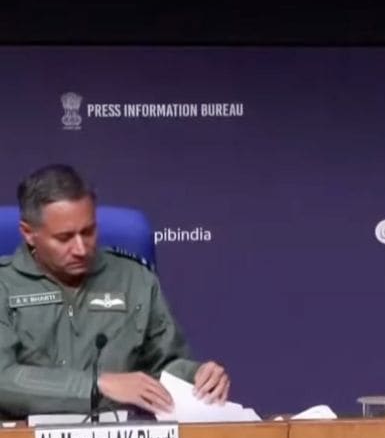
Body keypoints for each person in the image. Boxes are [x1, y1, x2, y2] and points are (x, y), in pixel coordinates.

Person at [0, 164, 230, 418]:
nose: (80, 248)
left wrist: (195, 376)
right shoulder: (3, 284)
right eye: (64, 238)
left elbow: (162, 366)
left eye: (88, 232)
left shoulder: (135, 279)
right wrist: (96, 385)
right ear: (28, 233)